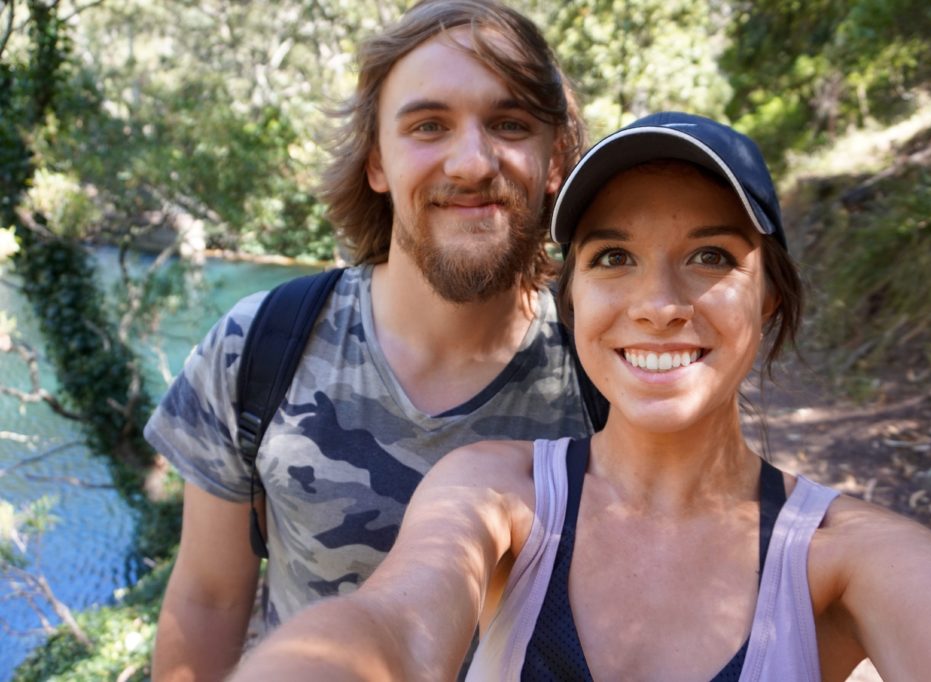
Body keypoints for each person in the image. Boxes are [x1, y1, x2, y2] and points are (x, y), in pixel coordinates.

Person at [229, 111, 931, 682]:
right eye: (614, 258)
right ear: (571, 297)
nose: (659, 302)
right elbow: (394, 628)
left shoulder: (847, 554)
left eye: (710, 255)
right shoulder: (495, 495)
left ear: (770, 299)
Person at [143, 1, 597, 679]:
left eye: (510, 124)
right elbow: (208, 599)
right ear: (376, 161)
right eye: (428, 125)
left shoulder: (611, 372)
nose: (472, 162)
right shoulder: (259, 348)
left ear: (554, 158)